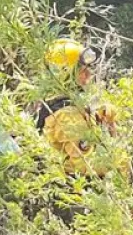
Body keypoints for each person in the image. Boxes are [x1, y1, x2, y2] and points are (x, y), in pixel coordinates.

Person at [38, 37, 115, 176]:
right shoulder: (66, 116)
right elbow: (86, 167)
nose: (88, 75)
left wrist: (105, 118)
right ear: (65, 74)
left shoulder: (63, 104)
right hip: (74, 193)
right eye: (82, 70)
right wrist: (117, 162)